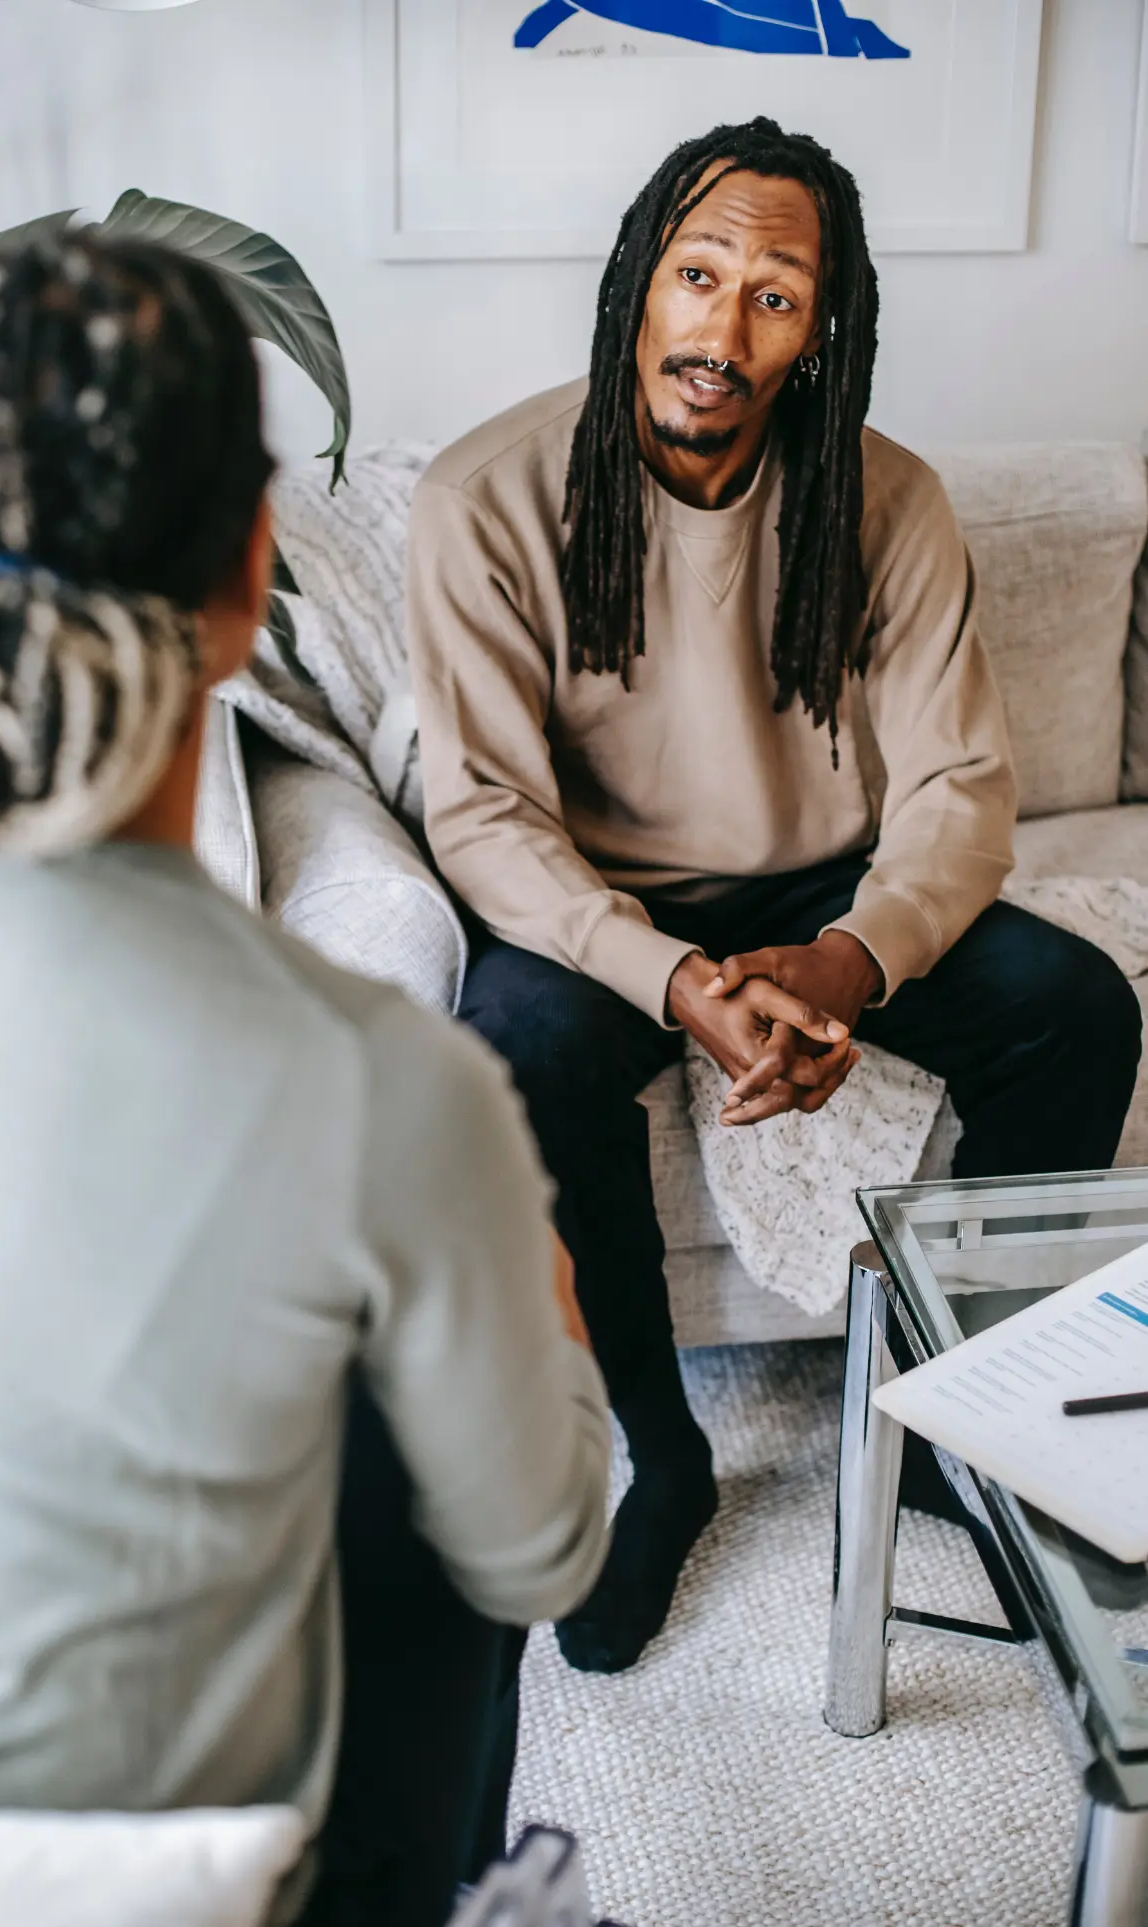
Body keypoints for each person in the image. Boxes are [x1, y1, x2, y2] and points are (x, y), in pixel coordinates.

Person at [0, 233, 610, 1927]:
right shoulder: (379, 1086)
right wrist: (546, 1304)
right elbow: (545, 1550)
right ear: (247, 571)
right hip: (167, 1888)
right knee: (411, 1455)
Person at [406, 116, 1143, 1679]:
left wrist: (839, 966)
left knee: (1078, 1011)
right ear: (635, 285)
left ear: (823, 330)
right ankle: (659, 1457)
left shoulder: (886, 500)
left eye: (774, 296)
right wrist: (674, 978)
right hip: (598, 898)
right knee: (516, 1052)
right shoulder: (486, 497)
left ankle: (956, 1421)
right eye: (696, 273)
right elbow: (476, 812)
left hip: (822, 884)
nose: (721, 328)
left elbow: (956, 793)